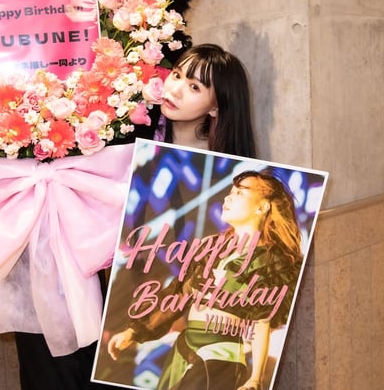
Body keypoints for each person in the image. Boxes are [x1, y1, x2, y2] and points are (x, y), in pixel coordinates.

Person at [106, 170, 303, 390]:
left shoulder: (272, 261)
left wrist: (256, 378)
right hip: (184, 349)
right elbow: (178, 293)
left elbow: (263, 322)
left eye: (240, 193)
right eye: (230, 192)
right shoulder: (212, 248)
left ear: (262, 207)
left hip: (220, 356)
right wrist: (134, 331)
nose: (228, 198)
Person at [155, 43, 256, 158]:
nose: (175, 91)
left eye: (194, 87)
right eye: (177, 75)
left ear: (215, 108)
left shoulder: (219, 161)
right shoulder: (143, 125)